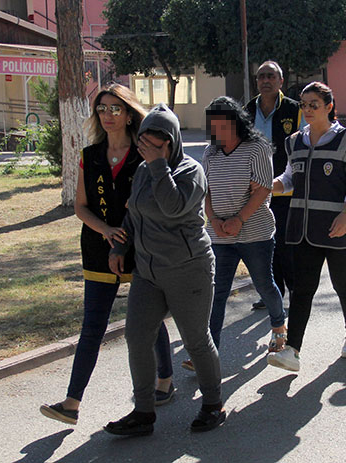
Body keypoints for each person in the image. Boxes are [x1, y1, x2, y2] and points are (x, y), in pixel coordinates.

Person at [39, 85, 174, 426]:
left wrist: (124, 238)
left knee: (148, 319)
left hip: (139, 246)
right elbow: (80, 207)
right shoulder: (91, 154)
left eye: (116, 108)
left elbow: (155, 201)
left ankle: (165, 380)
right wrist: (106, 232)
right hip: (98, 249)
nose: (108, 115)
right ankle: (71, 403)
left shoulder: (146, 152)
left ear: (130, 114)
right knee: (92, 327)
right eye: (102, 109)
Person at [104, 104, 224, 436]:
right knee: (137, 337)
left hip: (188, 270)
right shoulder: (143, 170)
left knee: (196, 340)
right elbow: (134, 213)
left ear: (171, 142)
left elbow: (172, 208)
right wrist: (120, 246)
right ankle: (143, 412)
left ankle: (213, 404)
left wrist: (158, 166)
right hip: (148, 271)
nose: (148, 149)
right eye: (144, 142)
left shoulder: (191, 171)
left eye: (157, 142)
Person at [267, 82, 346, 372]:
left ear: (329, 106)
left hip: (338, 227)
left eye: (314, 104)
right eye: (304, 104)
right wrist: (269, 186)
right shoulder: (294, 141)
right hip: (305, 228)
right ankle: (292, 351)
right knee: (303, 289)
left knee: (342, 282)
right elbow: (289, 178)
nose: (307, 110)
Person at [202, 96, 287, 355]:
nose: (217, 130)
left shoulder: (256, 148)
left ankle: (278, 325)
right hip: (220, 236)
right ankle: (208, 351)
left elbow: (262, 190)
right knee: (216, 293)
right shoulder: (210, 153)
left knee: (264, 285)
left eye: (222, 124)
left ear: (236, 122)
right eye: (213, 125)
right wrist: (214, 220)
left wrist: (238, 220)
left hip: (255, 233)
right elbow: (206, 192)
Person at [244, 60, 303, 312]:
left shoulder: (295, 110)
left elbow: (304, 146)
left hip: (286, 187)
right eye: (261, 77)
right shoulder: (245, 111)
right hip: (255, 191)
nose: (265, 81)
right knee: (263, 244)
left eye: (270, 76)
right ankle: (270, 293)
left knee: (286, 244)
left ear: (281, 81)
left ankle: (295, 292)